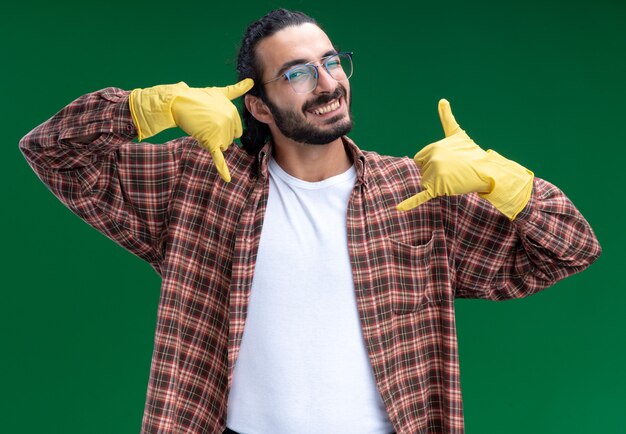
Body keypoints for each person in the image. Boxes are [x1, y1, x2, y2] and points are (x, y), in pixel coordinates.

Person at [20, 8, 600, 434]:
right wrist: (151, 106)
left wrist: (510, 182)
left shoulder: (415, 194)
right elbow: (52, 151)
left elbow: (569, 249)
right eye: (297, 73)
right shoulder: (200, 184)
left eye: (330, 61)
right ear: (258, 105)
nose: (327, 82)